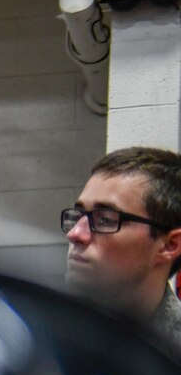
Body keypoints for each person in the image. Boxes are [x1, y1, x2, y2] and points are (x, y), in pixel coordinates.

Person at [63, 146, 181, 358]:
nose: (75, 234)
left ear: (169, 245)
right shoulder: (38, 338)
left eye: (106, 220)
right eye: (78, 215)